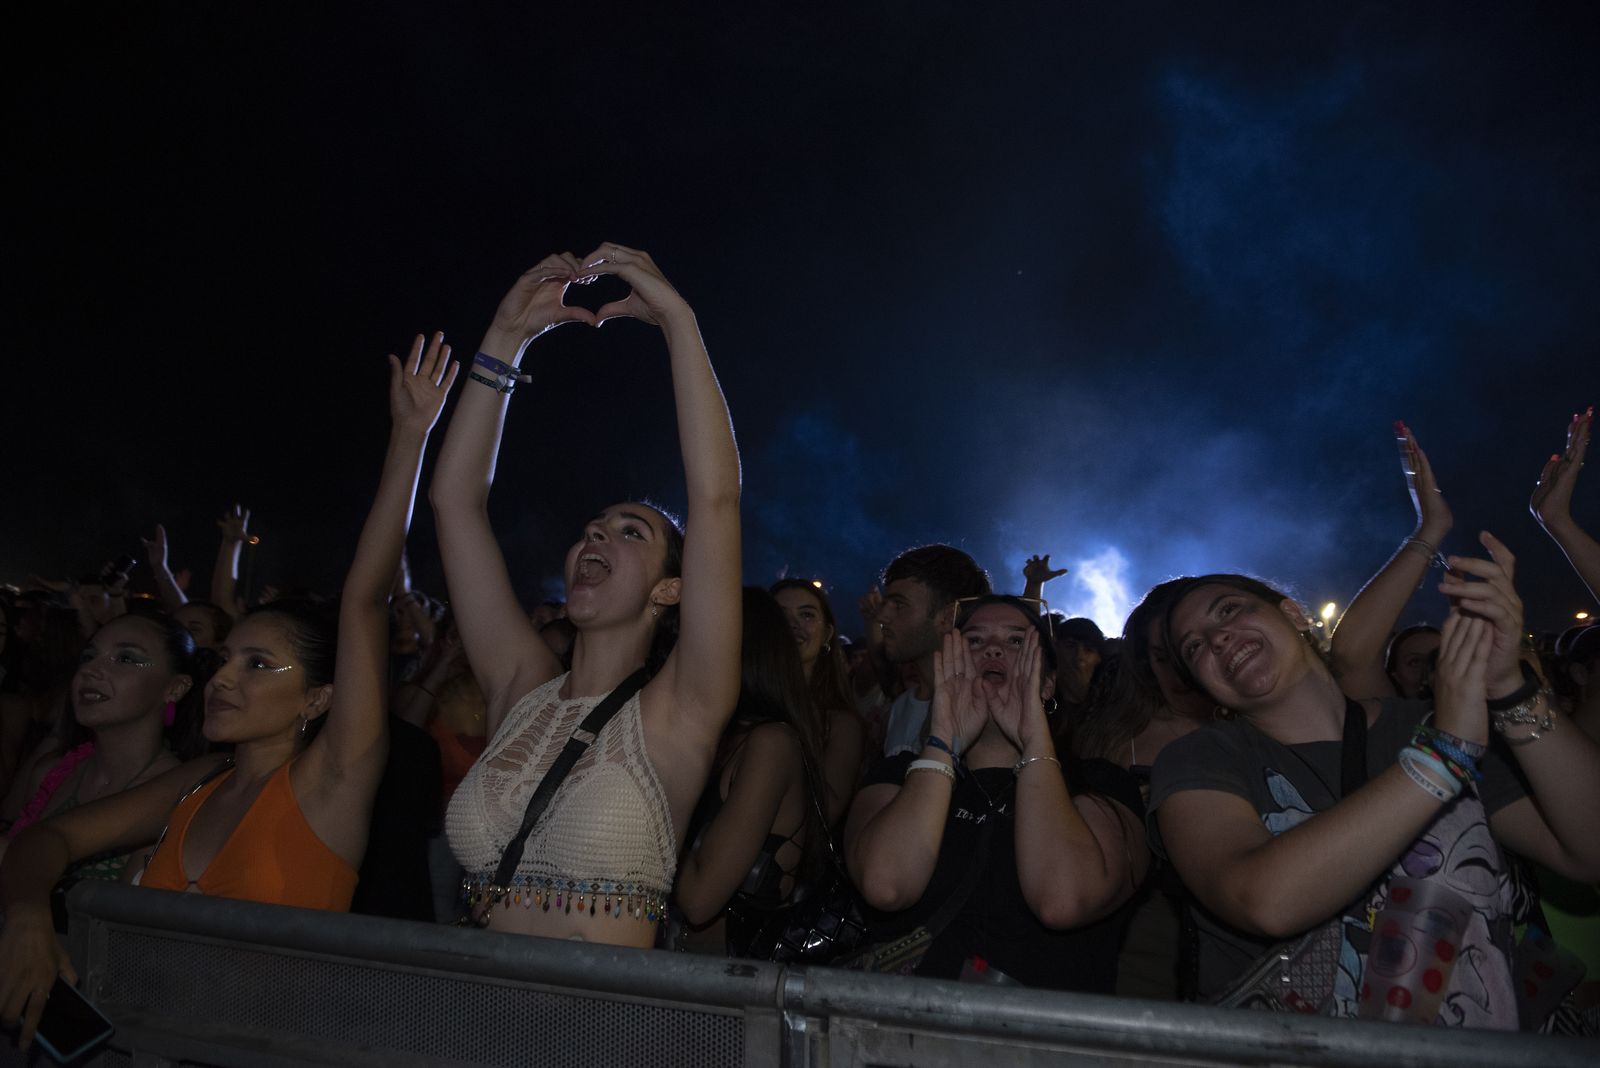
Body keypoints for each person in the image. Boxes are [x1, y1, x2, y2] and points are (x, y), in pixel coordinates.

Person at [0, 333, 453, 1049]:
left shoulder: (332, 785)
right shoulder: (195, 786)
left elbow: (364, 601)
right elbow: (45, 840)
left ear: (317, 700)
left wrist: (408, 437)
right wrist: (26, 913)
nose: (224, 678)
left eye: (258, 666)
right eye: (225, 660)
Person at [1149, 537, 1600, 1027]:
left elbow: (1588, 850)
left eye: (1229, 609)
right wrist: (1442, 758)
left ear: (1294, 615)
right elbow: (1261, 901)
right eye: (1195, 647)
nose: (1217, 638)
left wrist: (1509, 687)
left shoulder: (1427, 721)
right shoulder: (1199, 759)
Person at [435, 246, 742, 948]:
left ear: (672, 587)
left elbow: (717, 500)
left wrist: (678, 323)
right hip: (467, 1024)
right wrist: (504, 342)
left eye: (629, 532)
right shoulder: (521, 689)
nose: (595, 537)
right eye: (590, 530)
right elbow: (455, 504)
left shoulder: (681, 709)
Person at [846, 596, 1147, 990]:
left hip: (1045, 1042)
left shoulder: (1101, 785)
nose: (993, 649)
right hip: (898, 1034)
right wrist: (942, 741)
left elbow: (1063, 899)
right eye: (973, 641)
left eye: (1016, 642)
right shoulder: (897, 775)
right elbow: (887, 885)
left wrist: (1034, 738)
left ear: (1050, 681)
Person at [673, 588, 823, 954]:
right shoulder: (718, 735)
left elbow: (699, 900)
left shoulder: (771, 743)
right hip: (677, 978)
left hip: (729, 992)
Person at [2, 612, 200, 888]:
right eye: (88, 657)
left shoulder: (182, 791)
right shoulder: (54, 771)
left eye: (126, 658)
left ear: (175, 687)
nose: (90, 670)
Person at [1329, 421, 1451, 700]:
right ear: (1391, 674)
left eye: (1440, 658)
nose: (1431, 671)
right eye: (1414, 662)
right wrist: (1430, 528)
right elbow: (1349, 658)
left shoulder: (1499, 724)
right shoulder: (1394, 724)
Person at [871, 545, 991, 759]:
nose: (882, 617)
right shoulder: (900, 708)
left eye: (899, 605)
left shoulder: (983, 712)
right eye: (885, 603)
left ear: (946, 617)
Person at [771, 579, 865, 824]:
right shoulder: (735, 697)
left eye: (807, 615)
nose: (792, 625)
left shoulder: (840, 721)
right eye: (779, 615)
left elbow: (828, 809)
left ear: (827, 634)